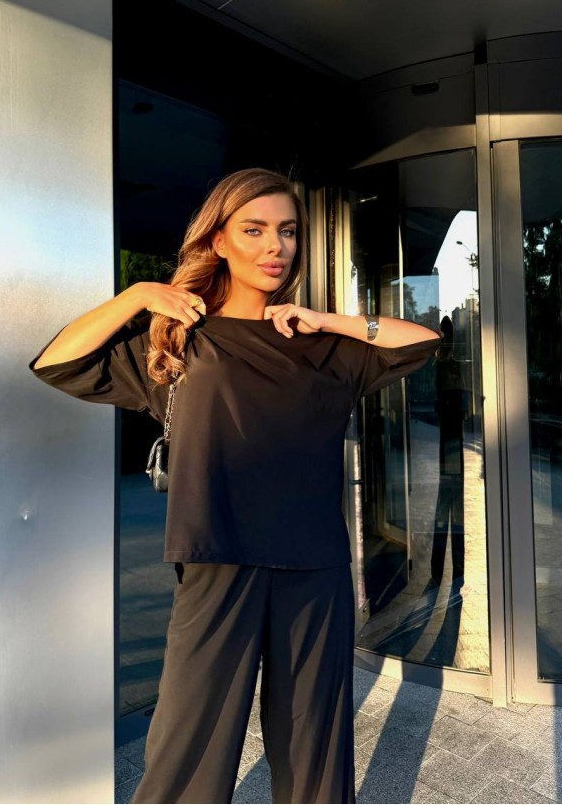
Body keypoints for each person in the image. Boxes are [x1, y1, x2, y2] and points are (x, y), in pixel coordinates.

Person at [29, 167, 443, 804]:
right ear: (218, 241)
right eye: (254, 230)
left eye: (288, 231)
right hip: (216, 558)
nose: (276, 246)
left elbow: (423, 341)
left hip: (314, 563)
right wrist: (138, 295)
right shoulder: (177, 341)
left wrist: (326, 320)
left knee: (314, 745)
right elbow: (56, 362)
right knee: (188, 750)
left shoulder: (322, 346)